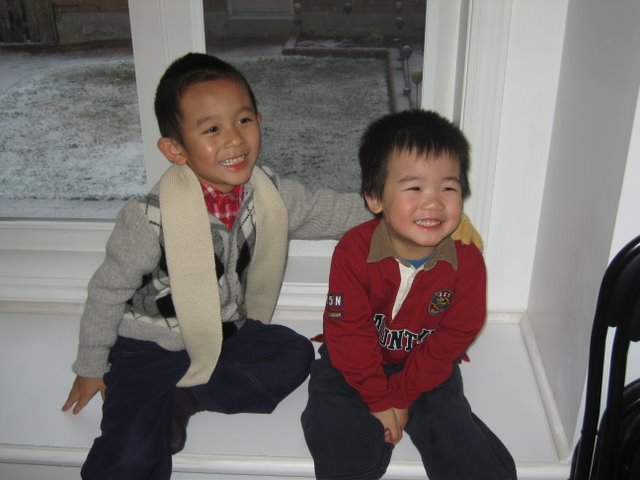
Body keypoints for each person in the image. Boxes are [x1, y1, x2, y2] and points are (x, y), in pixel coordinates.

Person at [61, 53, 480, 479]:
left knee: (293, 354)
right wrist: (90, 366)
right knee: (130, 454)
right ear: (175, 148)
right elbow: (107, 290)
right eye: (211, 129)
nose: (234, 139)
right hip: (149, 347)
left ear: (259, 121)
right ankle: (154, 406)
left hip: (224, 335)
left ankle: (184, 398)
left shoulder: (267, 194)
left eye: (243, 120)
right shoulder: (149, 218)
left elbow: (327, 210)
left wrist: (406, 210)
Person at [301, 110, 517, 480]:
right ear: (375, 198)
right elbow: (348, 334)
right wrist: (377, 399)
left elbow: (456, 334)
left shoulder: (466, 261)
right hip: (352, 362)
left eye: (447, 188)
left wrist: (400, 396)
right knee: (336, 432)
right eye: (415, 188)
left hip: (426, 365)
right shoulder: (353, 251)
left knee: (455, 437)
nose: (433, 203)